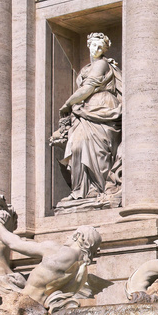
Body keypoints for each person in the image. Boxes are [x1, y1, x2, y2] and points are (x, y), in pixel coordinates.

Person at [51, 32, 122, 204]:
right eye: (93, 45)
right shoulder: (85, 68)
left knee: (97, 148)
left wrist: (68, 103)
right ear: (88, 45)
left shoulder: (102, 64)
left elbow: (88, 88)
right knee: (77, 147)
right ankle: (80, 190)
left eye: (100, 47)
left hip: (102, 107)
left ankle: (97, 189)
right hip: (84, 110)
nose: (96, 49)